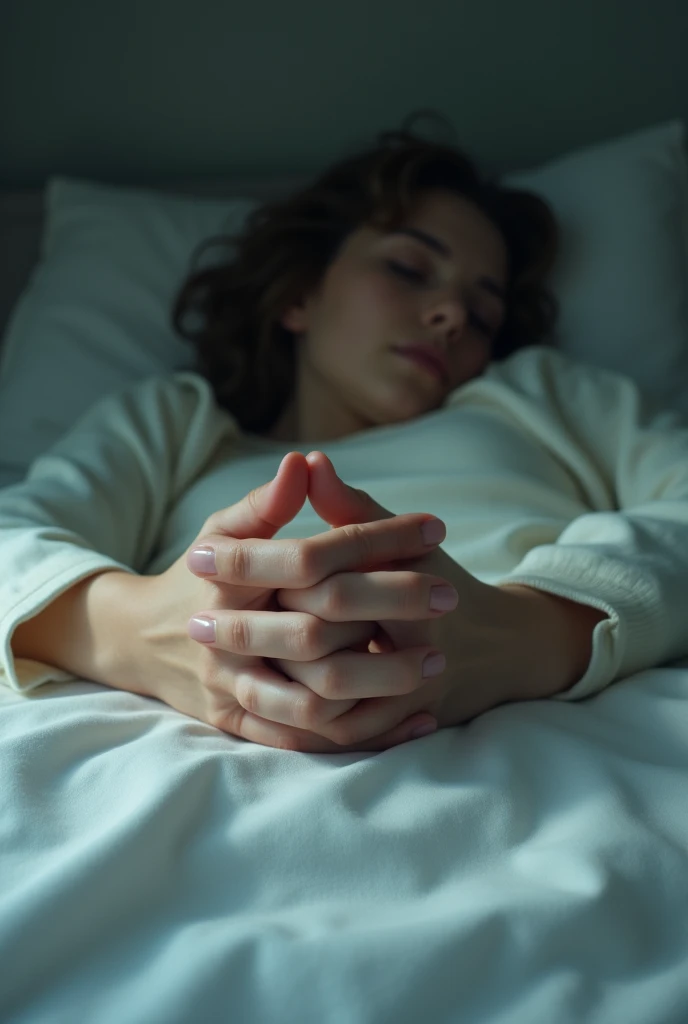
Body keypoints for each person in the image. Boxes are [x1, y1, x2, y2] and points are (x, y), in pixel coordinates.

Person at [4, 110, 688, 755]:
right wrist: (145, 630)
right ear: (300, 294)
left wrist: (534, 631)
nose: (451, 312)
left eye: (482, 314)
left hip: (546, 734)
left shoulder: (541, 395)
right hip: (205, 754)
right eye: (409, 269)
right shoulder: (173, 423)